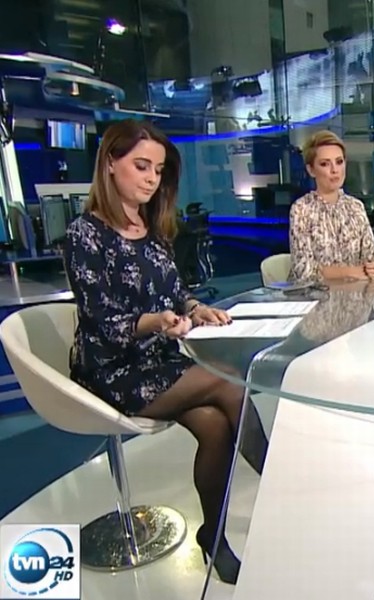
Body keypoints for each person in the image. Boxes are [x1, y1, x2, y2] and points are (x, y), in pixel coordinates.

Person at [64, 119, 267, 584]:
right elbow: (104, 322)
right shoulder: (84, 234)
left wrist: (196, 309)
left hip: (157, 361)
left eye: (157, 170)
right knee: (228, 383)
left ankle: (213, 536)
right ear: (110, 163)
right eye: (141, 166)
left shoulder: (151, 226)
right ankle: (286, 485)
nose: (152, 179)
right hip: (111, 369)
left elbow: (176, 292)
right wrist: (155, 323)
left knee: (215, 424)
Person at [289, 130, 374, 283]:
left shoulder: (355, 207)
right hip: (314, 295)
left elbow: (373, 254)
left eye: (339, 162)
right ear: (311, 170)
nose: (334, 170)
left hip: (356, 295)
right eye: (325, 164)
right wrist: (349, 272)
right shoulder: (301, 209)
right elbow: (303, 269)